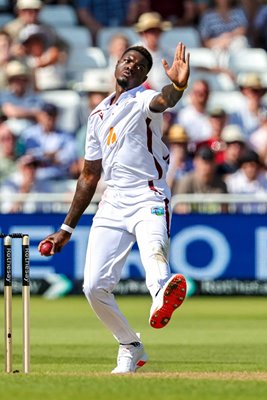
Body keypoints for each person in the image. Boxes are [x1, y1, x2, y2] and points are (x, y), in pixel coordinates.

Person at [38, 42, 190, 374]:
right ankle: (130, 345)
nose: (131, 66)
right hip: (113, 201)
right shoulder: (97, 115)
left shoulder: (143, 100)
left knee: (154, 253)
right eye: (127, 60)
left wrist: (177, 86)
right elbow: (89, 175)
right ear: (116, 65)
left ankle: (162, 290)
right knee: (93, 287)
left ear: (144, 75)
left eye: (138, 65)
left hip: (148, 194)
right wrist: (65, 229)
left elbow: (165, 100)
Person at [172, 145, 228, 213]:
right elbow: (178, 207)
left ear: (215, 164)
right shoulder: (186, 182)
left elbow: (224, 211)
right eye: (204, 162)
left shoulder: (220, 185)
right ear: (195, 162)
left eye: (210, 162)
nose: (207, 166)